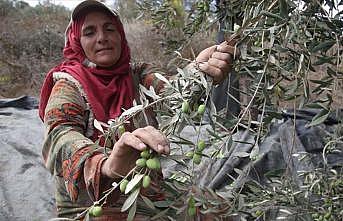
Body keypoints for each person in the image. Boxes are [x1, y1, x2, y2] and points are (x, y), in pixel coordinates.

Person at [39, 0, 236, 220]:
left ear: (120, 36)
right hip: (94, 204)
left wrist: (198, 74)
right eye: (89, 32)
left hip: (146, 189)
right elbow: (59, 136)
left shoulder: (137, 76)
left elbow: (170, 93)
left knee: (219, 210)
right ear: (78, 41)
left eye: (109, 28)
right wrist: (105, 165)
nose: (102, 37)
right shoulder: (69, 84)